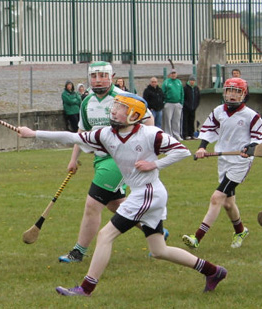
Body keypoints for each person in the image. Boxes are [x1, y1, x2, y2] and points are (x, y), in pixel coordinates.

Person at [17, 92, 227, 296]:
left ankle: (85, 289)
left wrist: (154, 164)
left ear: (134, 115)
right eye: (114, 106)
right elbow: (71, 136)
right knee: (159, 250)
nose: (114, 111)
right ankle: (213, 271)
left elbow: (182, 150)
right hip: (144, 193)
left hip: (148, 194)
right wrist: (33, 133)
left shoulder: (150, 134)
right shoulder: (105, 134)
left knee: (105, 235)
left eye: (120, 108)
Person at [57, 61, 161, 264]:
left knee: (92, 204)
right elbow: (82, 133)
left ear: (111, 76)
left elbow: (148, 120)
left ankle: (79, 251)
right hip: (100, 158)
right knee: (115, 205)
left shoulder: (123, 98)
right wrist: (73, 159)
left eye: (102, 75)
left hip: (119, 159)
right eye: (94, 76)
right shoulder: (87, 102)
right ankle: (154, 228)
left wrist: (144, 146)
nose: (98, 80)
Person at [182, 78, 262, 249]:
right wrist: (202, 148)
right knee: (228, 203)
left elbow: (259, 140)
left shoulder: (251, 116)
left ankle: (197, 237)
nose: (232, 95)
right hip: (224, 160)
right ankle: (240, 230)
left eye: (237, 92)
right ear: (224, 92)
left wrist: (250, 148)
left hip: (240, 163)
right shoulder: (218, 111)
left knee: (217, 197)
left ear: (244, 94)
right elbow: (207, 130)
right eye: (229, 91)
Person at [162, 68, 184, 141]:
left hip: (177, 103)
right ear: (170, 74)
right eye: (172, 73)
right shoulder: (166, 82)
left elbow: (182, 93)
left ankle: (176, 134)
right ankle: (169, 134)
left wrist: (181, 102)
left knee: (176, 120)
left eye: (174, 73)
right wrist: (165, 101)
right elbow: (163, 92)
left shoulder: (179, 82)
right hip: (169, 103)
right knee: (168, 119)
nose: (173, 74)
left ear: (176, 74)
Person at [182, 75, 200, 140]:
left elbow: (198, 98)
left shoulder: (196, 88)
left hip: (193, 108)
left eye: (193, 80)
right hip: (186, 108)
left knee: (192, 121)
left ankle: (191, 134)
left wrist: (195, 105)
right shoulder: (185, 88)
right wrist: (186, 105)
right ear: (189, 81)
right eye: (191, 80)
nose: (192, 82)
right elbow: (183, 98)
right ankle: (185, 135)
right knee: (185, 121)